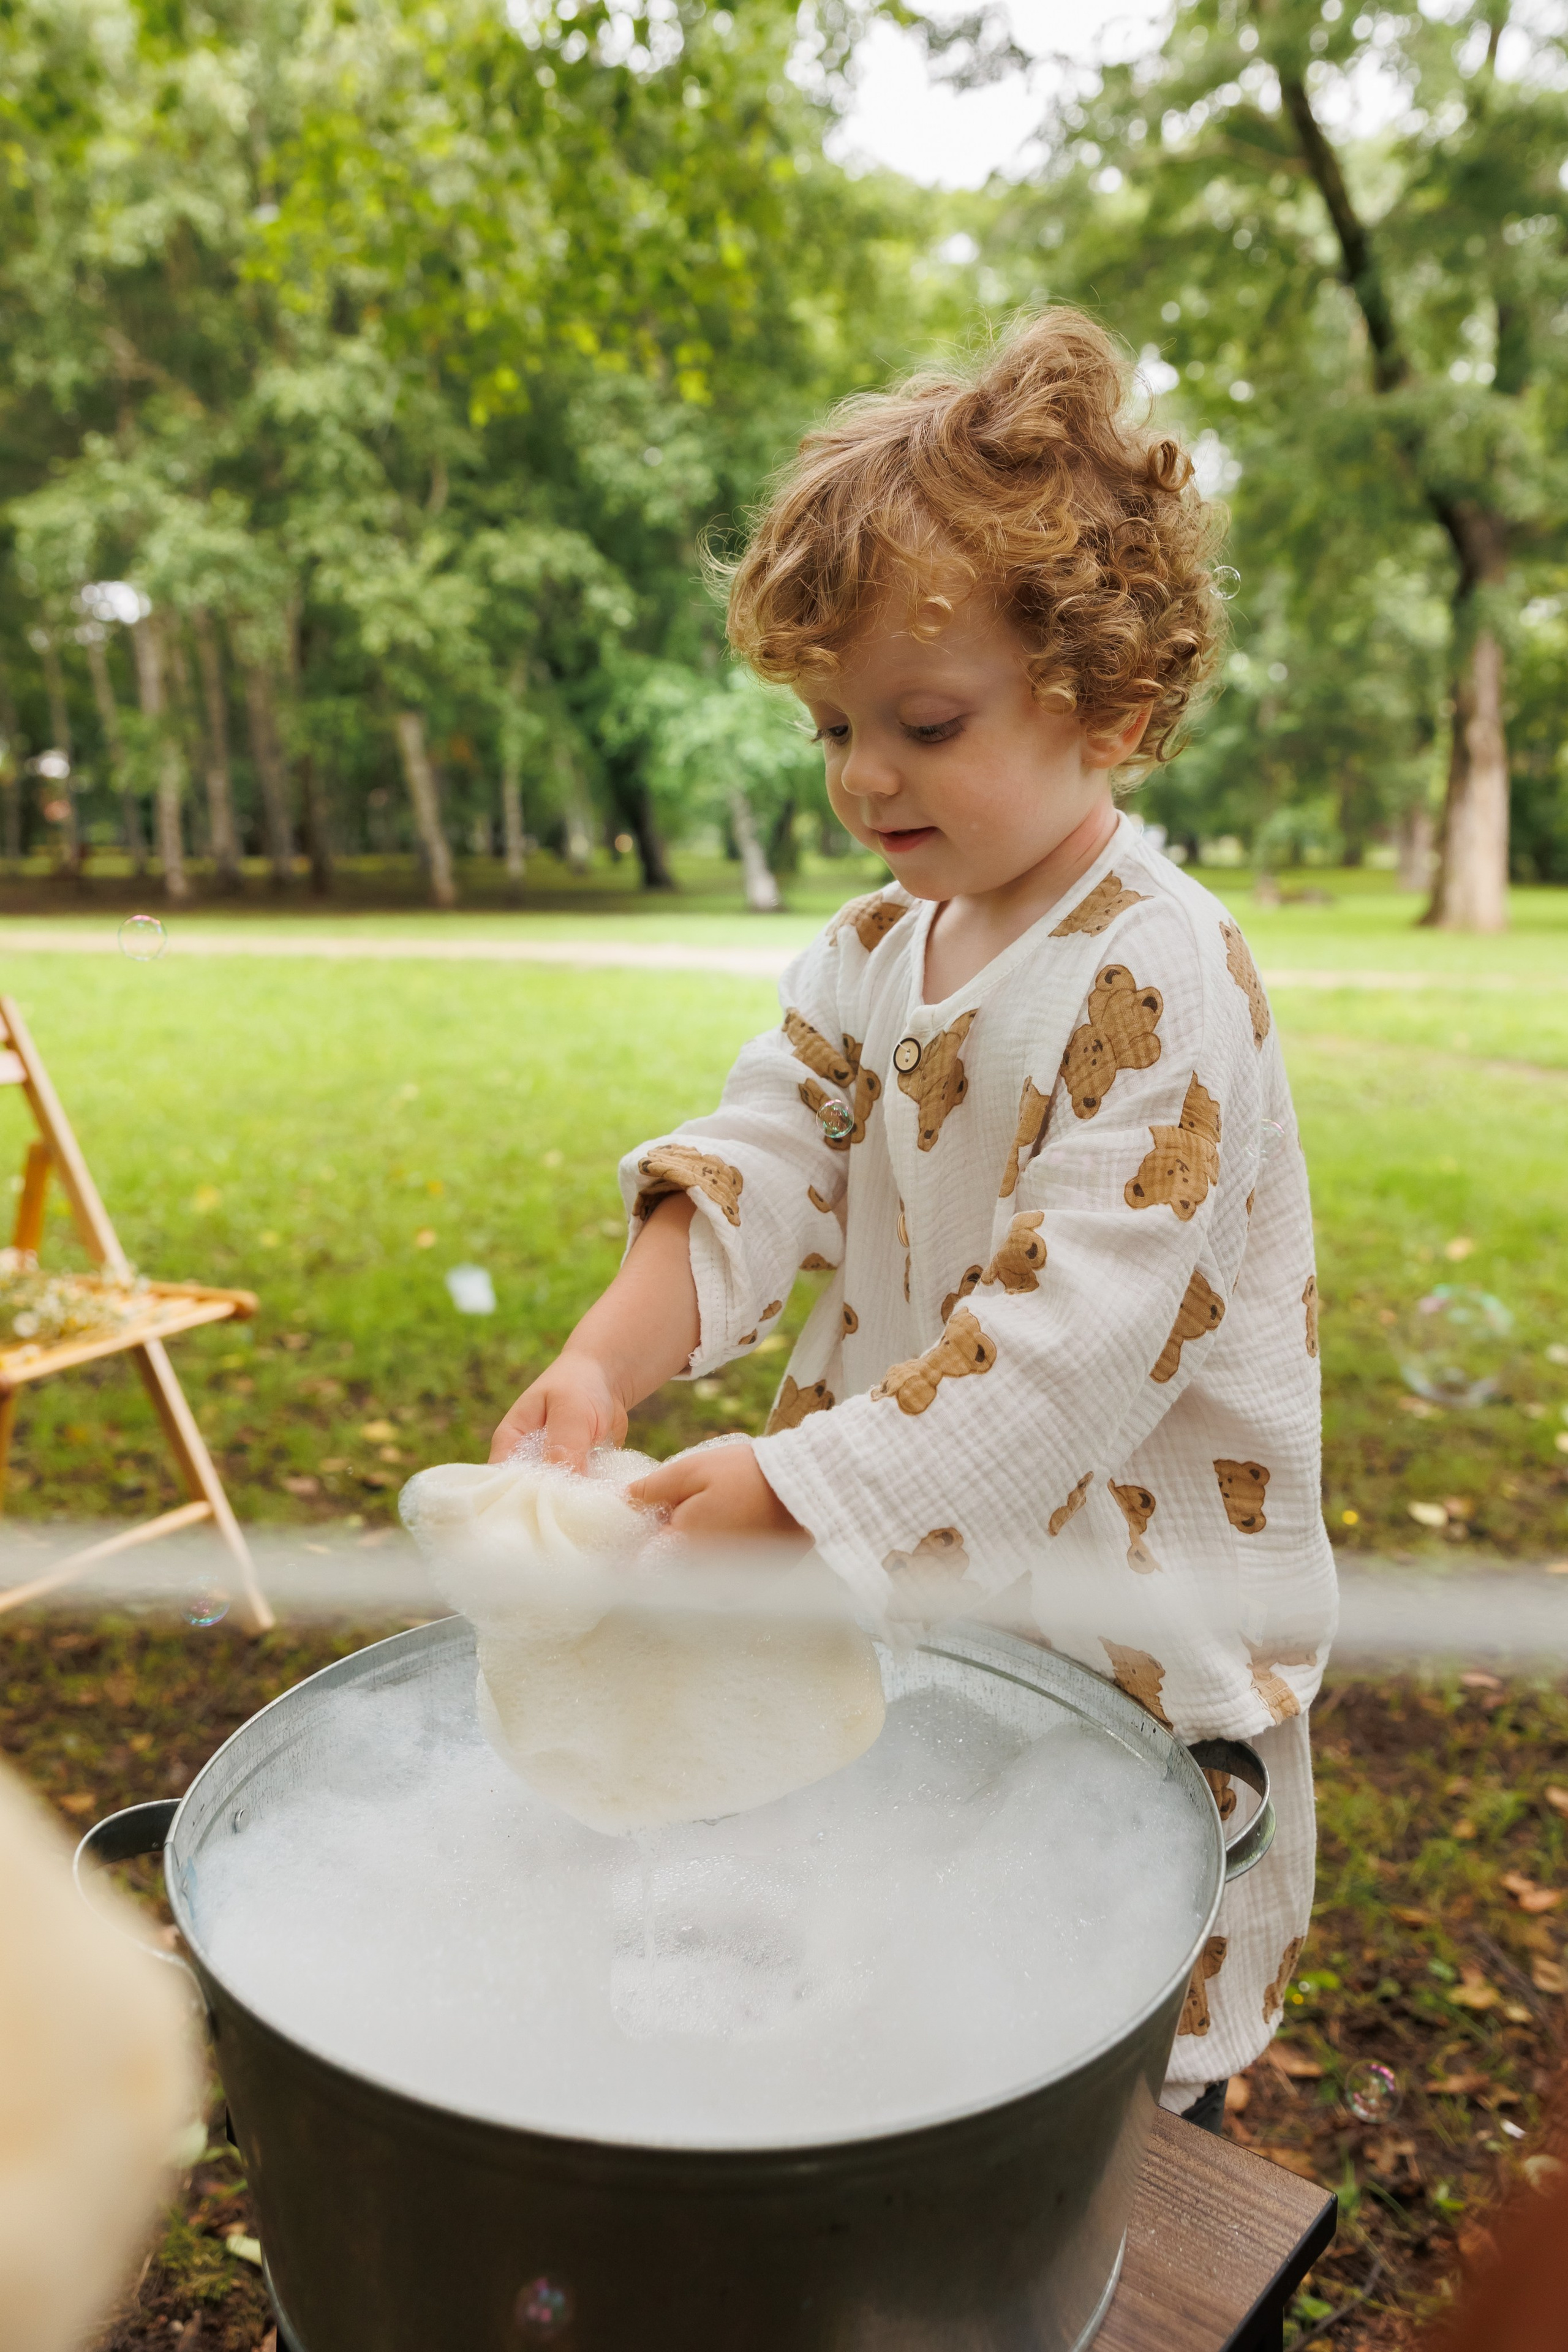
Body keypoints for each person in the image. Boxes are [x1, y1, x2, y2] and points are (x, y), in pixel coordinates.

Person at [491, 308, 1336, 2118]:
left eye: (923, 724)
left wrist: (801, 1497)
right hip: (923, 1635)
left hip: (1135, 1670)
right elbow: (764, 1152)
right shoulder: (874, 949)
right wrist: (608, 1358)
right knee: (906, 2012)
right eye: (833, 726)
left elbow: (1072, 1344)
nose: (862, 776)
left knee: (1085, 2070)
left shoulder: (1162, 973)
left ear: (1109, 702)